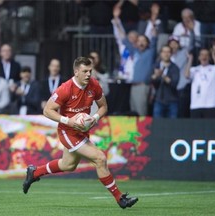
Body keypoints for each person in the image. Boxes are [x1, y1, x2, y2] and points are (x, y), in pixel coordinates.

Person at [22, 57, 138, 209]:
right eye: (85, 71)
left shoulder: (94, 85)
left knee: (68, 165)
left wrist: (95, 118)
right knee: (100, 158)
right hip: (68, 132)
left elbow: (103, 107)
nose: (88, 74)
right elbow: (47, 110)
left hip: (82, 131)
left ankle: (35, 172)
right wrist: (69, 121)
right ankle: (120, 198)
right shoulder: (65, 88)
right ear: (76, 72)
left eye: (90, 71)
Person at [185, 49, 215, 118]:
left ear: (209, 57)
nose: (204, 56)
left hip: (211, 105)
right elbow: (186, 75)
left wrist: (214, 56)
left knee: (211, 128)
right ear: (199, 57)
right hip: (196, 105)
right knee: (196, 128)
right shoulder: (194, 69)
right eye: (202, 54)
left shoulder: (214, 68)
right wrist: (190, 60)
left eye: (206, 55)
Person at [151, 45, 180, 118]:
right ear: (161, 54)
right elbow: (150, 80)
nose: (166, 54)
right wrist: (155, 76)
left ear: (171, 54)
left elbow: (174, 83)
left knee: (172, 125)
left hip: (172, 100)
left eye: (168, 52)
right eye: (164, 52)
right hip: (159, 99)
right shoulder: (155, 66)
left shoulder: (174, 68)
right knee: (158, 123)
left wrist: (162, 75)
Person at [111, 5, 138, 82]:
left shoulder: (139, 49)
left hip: (133, 76)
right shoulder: (123, 47)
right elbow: (120, 34)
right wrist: (116, 19)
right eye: (130, 37)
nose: (131, 39)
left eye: (134, 37)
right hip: (123, 75)